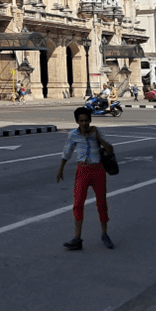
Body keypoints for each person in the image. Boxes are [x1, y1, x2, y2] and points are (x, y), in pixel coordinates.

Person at [56, 106, 115, 250]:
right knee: (78, 204)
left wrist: (98, 137)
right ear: (77, 121)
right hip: (82, 170)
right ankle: (77, 238)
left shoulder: (97, 132)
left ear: (90, 120)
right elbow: (67, 152)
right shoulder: (73, 135)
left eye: (86, 120)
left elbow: (110, 150)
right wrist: (60, 170)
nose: (84, 123)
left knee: (101, 203)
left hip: (98, 170)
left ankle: (104, 233)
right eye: (81, 121)